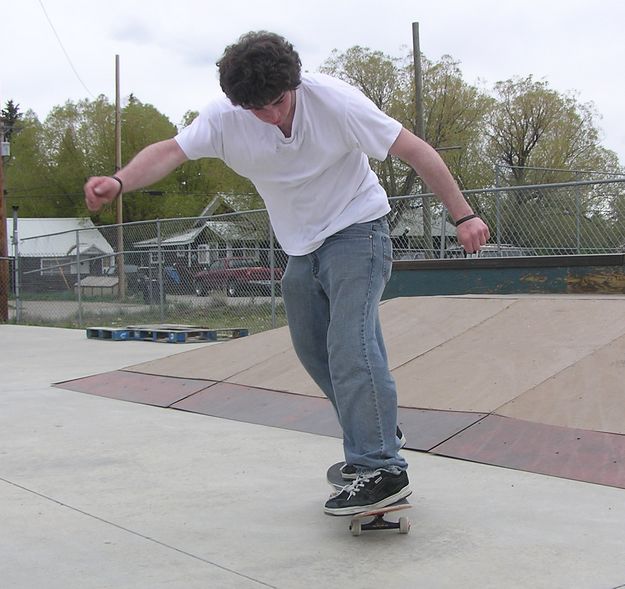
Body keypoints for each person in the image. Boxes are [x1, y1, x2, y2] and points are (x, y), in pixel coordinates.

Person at [84, 31, 490, 515]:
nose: (273, 116)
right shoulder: (223, 118)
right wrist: (119, 180)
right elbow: (170, 151)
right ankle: (376, 431)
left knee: (350, 344)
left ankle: (382, 465)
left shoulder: (336, 102)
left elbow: (417, 151)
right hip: (300, 247)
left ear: (293, 84)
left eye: (279, 102)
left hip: (358, 230)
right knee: (311, 349)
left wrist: (464, 215)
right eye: (259, 109)